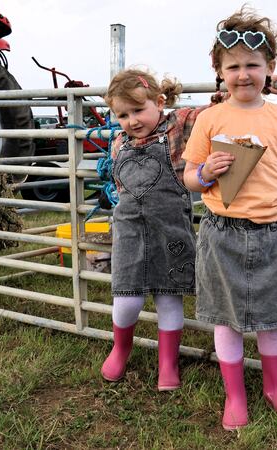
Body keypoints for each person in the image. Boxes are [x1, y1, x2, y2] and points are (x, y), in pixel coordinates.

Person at [182, 7, 277, 430]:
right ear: (218, 71)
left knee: (273, 320)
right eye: (232, 66)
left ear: (269, 68)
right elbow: (188, 178)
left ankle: (275, 387)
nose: (243, 74)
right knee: (226, 319)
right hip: (222, 233)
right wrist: (204, 173)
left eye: (252, 65)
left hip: (273, 233)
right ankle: (235, 396)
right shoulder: (209, 119)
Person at [100, 69, 207, 392]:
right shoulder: (119, 142)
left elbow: (214, 112)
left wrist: (228, 95)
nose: (132, 120)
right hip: (130, 230)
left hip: (170, 228)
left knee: (169, 297)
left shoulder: (177, 124)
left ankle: (167, 362)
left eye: (138, 110)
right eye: (122, 114)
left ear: (159, 102)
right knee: (127, 298)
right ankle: (121, 347)